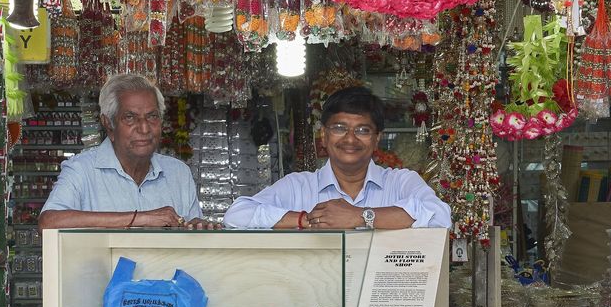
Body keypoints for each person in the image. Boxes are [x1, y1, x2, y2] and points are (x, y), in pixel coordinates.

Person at [224, 86, 451, 231]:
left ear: (376, 139)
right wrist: (307, 219)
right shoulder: (298, 185)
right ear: (324, 135)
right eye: (340, 128)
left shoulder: (401, 182)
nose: (350, 139)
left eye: (362, 130)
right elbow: (236, 215)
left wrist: (361, 217)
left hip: (384, 301)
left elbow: (440, 216)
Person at [38, 73, 216, 230]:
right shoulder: (82, 170)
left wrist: (198, 227)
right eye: (130, 118)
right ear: (108, 123)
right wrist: (141, 218)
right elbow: (48, 222)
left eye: (152, 116)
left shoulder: (178, 173)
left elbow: (191, 237)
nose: (144, 128)